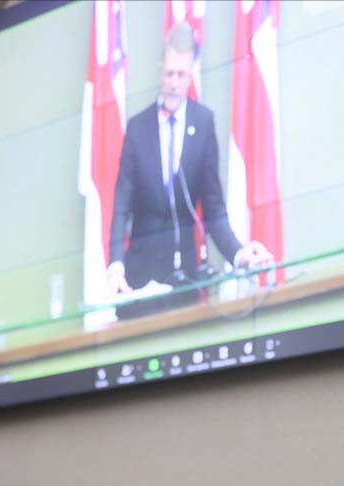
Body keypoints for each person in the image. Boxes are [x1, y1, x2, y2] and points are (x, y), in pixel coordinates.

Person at [107, 22, 273, 295]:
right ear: (160, 71)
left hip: (185, 277)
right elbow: (121, 207)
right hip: (139, 278)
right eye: (169, 74)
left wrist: (240, 253)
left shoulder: (203, 123)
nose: (174, 83)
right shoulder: (137, 129)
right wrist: (115, 264)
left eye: (181, 75)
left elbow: (214, 209)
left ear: (190, 76)